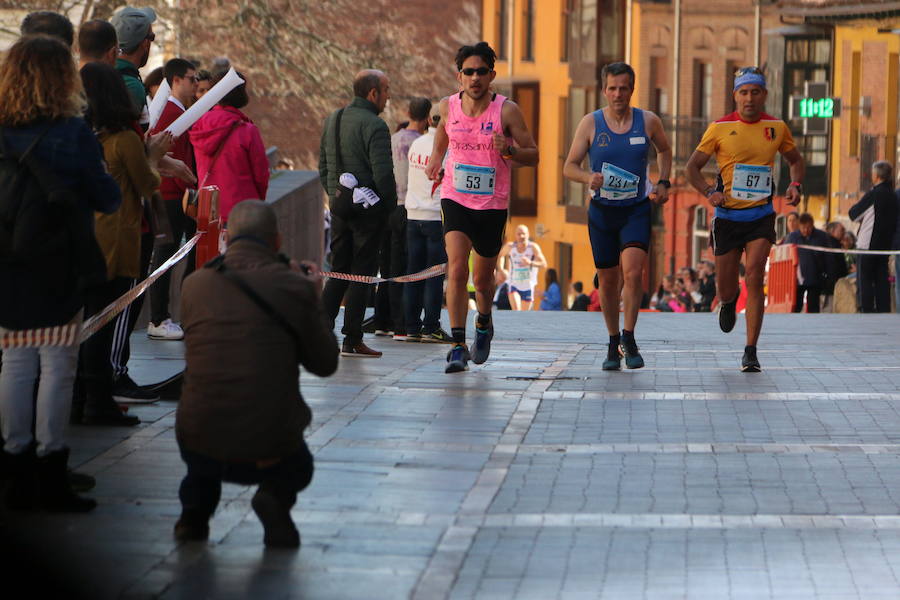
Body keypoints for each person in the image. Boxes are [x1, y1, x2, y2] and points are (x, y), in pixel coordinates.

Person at [0, 34, 122, 511]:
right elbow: (107, 197)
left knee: (13, 361)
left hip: (7, 262)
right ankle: (51, 466)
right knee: (56, 365)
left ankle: (14, 462)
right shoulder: (71, 133)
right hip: (59, 263)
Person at [174, 200, 337, 547]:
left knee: (205, 436)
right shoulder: (293, 287)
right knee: (299, 465)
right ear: (276, 242)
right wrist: (313, 298)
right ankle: (275, 497)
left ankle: (194, 513)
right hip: (269, 445)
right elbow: (325, 365)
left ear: (228, 237)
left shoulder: (195, 284)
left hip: (198, 438)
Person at [425, 42, 539, 373]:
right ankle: (458, 344)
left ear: (492, 75)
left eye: (481, 72)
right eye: (468, 72)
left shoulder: (507, 111)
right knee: (457, 268)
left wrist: (511, 151)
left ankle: (484, 322)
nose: (475, 78)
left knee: (484, 279)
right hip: (455, 197)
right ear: (459, 76)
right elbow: (441, 139)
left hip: (491, 203)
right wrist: (435, 159)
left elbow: (534, 154)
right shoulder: (448, 107)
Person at [685, 66, 804, 372]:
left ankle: (750, 350)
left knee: (755, 275)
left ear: (764, 94)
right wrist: (710, 192)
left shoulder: (777, 127)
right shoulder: (719, 128)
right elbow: (691, 169)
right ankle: (727, 302)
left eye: (755, 92)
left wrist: (795, 185)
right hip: (727, 217)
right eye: (743, 92)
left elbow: (795, 160)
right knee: (727, 287)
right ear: (735, 95)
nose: (749, 98)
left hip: (760, 215)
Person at [562, 61, 672, 371]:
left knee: (634, 273)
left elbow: (665, 150)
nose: (618, 94)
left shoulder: (647, 121)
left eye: (623, 88)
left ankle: (629, 336)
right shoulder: (591, 124)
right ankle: (612, 341)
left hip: (636, 209)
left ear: (632, 89)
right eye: (612, 88)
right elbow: (568, 165)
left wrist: (663, 181)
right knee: (608, 283)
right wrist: (588, 179)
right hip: (603, 212)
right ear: (604, 90)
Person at [77, 63, 171, 423]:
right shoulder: (124, 140)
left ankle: (82, 397)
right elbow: (147, 183)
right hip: (117, 238)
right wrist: (155, 156)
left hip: (89, 235)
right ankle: (98, 402)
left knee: (87, 323)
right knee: (103, 325)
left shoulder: (87, 136)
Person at [319, 70, 397, 358]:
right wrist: (389, 209)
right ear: (373, 93)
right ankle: (352, 339)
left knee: (338, 269)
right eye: (386, 90)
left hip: (339, 208)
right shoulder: (375, 126)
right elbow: (384, 175)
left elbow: (323, 167)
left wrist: (336, 197)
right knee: (362, 275)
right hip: (368, 211)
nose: (389, 96)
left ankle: (321, 329)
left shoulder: (333, 119)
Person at [147, 58, 199, 342]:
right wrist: (189, 187)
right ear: (176, 80)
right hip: (170, 194)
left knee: (167, 255)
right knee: (164, 257)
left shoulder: (176, 110)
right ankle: (158, 318)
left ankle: (163, 317)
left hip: (174, 192)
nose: (195, 85)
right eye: (192, 79)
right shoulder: (170, 111)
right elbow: (171, 156)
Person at [374, 97, 431, 340]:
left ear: (408, 112)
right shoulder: (422, 144)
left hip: (387, 206)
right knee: (404, 266)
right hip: (410, 207)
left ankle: (381, 321)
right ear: (428, 117)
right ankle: (401, 324)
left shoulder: (393, 138)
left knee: (386, 265)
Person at [191, 70, 269, 224]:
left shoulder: (199, 125)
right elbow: (261, 175)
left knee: (212, 248)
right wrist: (258, 201)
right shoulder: (247, 130)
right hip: (243, 208)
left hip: (209, 209)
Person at [404, 112, 451, 343]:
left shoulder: (416, 143)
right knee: (434, 275)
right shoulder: (447, 148)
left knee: (413, 274)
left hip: (413, 214)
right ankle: (430, 326)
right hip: (435, 216)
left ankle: (411, 327)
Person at [849, 160, 898, 313]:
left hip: (867, 245)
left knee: (865, 280)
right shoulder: (893, 195)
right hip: (885, 245)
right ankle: (883, 310)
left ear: (876, 175)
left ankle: (867, 310)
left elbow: (853, 214)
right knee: (882, 279)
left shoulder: (874, 194)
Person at [110, 6, 156, 129]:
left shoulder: (103, 72)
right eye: (152, 37)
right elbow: (124, 143)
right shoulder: (133, 86)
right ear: (145, 43)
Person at [784, 213, 830, 313]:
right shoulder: (793, 237)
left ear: (812, 224)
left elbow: (827, 256)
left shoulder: (821, 236)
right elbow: (785, 255)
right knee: (796, 306)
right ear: (799, 226)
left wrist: (827, 274)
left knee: (813, 307)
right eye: (803, 228)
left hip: (815, 277)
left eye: (809, 227)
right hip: (797, 279)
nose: (806, 230)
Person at [498, 225, 547, 311]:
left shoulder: (533, 247)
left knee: (524, 314)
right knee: (516, 310)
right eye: (519, 234)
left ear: (528, 234)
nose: (521, 236)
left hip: (528, 285)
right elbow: (500, 256)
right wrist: (501, 269)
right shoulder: (510, 247)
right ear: (515, 235)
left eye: (523, 234)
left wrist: (530, 263)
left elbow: (544, 264)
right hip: (514, 284)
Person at [822, 221, 848, 312]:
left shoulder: (836, 244)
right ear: (832, 231)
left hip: (833, 284)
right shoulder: (831, 244)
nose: (844, 232)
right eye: (841, 230)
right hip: (831, 285)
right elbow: (833, 265)